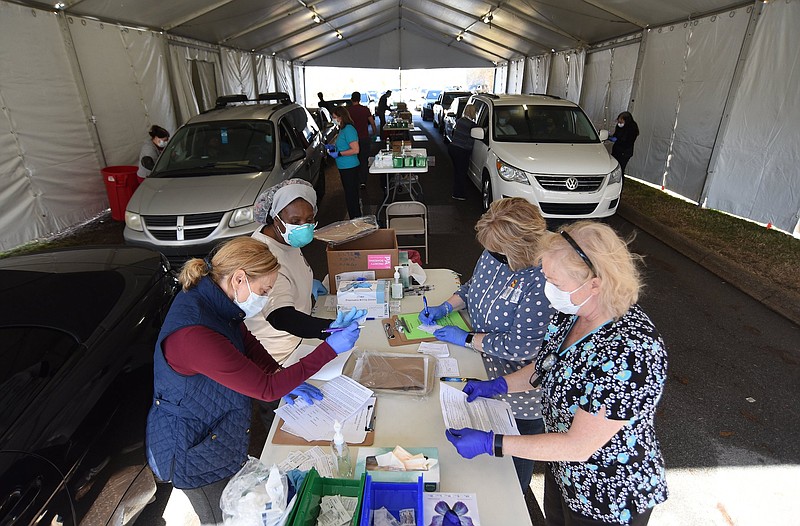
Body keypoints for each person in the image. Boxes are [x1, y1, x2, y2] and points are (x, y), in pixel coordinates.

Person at [445, 221, 669, 525]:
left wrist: (491, 443)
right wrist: (497, 385)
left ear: (596, 283)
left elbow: (579, 445)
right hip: (563, 469)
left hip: (607, 494)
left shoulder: (632, 351)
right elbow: (545, 367)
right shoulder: (573, 313)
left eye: (556, 283)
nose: (547, 289)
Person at [145, 236, 361, 524]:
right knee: (222, 517)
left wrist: (283, 375)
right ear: (238, 279)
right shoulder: (195, 334)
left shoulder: (217, 302)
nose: (266, 297)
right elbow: (265, 389)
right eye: (264, 289)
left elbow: (248, 344)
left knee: (243, 505)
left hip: (217, 432)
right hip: (192, 450)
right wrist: (329, 349)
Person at [419, 197, 556, 491]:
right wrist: (446, 307)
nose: (490, 256)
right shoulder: (495, 254)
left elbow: (522, 348)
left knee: (510, 481)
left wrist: (467, 339)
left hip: (519, 394)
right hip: (483, 372)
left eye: (497, 252)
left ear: (519, 250)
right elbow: (472, 286)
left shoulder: (542, 281)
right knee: (482, 471)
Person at [327, 106, 361, 219]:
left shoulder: (349, 129)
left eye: (335, 117)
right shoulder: (342, 129)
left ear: (341, 117)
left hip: (350, 167)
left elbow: (355, 149)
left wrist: (339, 154)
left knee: (352, 196)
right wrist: (333, 148)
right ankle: (355, 219)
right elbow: (344, 145)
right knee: (350, 195)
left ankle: (356, 220)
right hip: (344, 167)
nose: (333, 119)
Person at [447, 104, 478, 200]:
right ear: (472, 112)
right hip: (461, 150)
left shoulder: (460, 121)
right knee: (461, 172)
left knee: (458, 171)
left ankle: (456, 192)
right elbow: (481, 131)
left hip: (453, 148)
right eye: (475, 111)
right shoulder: (472, 125)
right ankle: (458, 194)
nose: (476, 113)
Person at [348, 91, 378, 188]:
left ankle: (354, 180)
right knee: (364, 160)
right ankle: (363, 181)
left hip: (352, 140)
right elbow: (372, 122)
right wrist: (374, 132)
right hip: (364, 138)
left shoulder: (348, 111)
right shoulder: (365, 109)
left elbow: (343, 126)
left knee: (353, 160)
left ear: (352, 99)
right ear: (359, 99)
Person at [610, 111, 640, 179]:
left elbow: (628, 142)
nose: (619, 123)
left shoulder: (632, 128)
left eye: (621, 121)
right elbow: (616, 135)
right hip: (617, 150)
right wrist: (612, 137)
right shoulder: (619, 126)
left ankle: (620, 183)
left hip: (625, 152)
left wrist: (617, 140)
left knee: (620, 169)